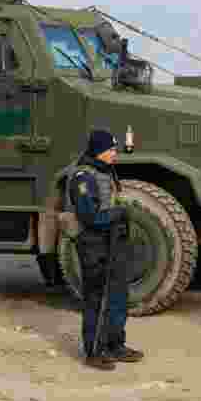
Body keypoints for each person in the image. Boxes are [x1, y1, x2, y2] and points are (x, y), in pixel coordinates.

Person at [65, 129, 144, 370]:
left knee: (118, 295)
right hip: (93, 244)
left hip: (113, 241)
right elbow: (89, 217)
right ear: (99, 151)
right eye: (110, 150)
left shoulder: (105, 171)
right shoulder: (83, 177)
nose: (114, 154)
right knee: (96, 299)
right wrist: (118, 213)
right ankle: (94, 352)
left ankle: (114, 345)